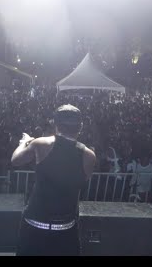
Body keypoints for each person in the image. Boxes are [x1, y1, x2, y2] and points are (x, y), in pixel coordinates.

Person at [11, 104, 96, 256]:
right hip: (66, 228)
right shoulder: (89, 155)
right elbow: (79, 183)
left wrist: (24, 143)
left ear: (55, 124)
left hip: (35, 225)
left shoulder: (41, 144)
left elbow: (15, 160)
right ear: (80, 126)